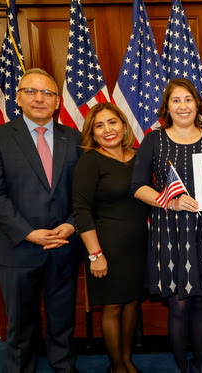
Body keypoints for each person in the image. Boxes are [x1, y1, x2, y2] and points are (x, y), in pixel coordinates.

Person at [0, 68, 81, 372]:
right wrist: (29, 233)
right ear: (18, 98)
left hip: (63, 246)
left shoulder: (73, 138)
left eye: (48, 93)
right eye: (31, 92)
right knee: (21, 328)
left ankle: (64, 367)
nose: (40, 98)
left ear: (58, 102)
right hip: (17, 249)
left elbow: (86, 192)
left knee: (62, 322)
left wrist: (73, 223)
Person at [131, 78, 202, 373]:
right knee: (178, 305)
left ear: (197, 105)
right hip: (168, 230)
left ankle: (197, 365)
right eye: (176, 100)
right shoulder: (153, 140)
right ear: (167, 107)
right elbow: (137, 186)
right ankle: (181, 368)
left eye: (188, 99)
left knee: (199, 303)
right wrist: (168, 201)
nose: (183, 106)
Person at [72, 103, 147, 373]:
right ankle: (116, 367)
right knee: (113, 306)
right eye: (99, 126)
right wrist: (95, 255)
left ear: (124, 125)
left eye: (112, 122)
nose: (108, 130)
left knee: (132, 303)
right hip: (106, 248)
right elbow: (80, 209)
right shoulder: (90, 161)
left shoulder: (139, 156)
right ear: (92, 134)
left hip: (138, 246)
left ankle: (127, 362)